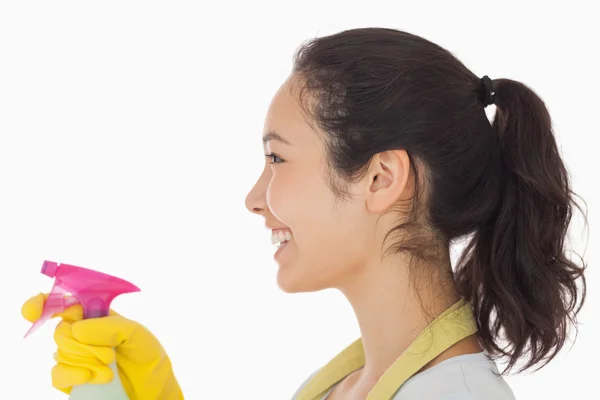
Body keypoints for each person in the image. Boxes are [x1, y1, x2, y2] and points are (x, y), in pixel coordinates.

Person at [21, 27, 587, 399]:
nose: (255, 198)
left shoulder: (452, 395)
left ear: (380, 178)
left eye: (277, 158)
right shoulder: (347, 383)